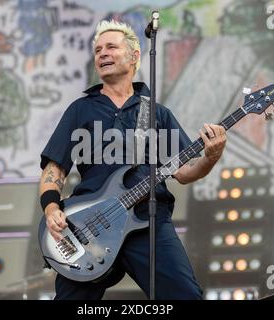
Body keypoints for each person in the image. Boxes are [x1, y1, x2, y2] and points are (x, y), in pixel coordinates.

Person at [39, 20, 226, 300]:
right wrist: (51, 208)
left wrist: (211, 157)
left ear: (135, 56)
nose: (102, 53)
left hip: (147, 224)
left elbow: (185, 171)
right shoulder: (80, 109)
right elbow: (54, 170)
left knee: (186, 296)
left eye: (111, 47)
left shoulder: (156, 113)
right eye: (98, 49)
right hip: (87, 228)